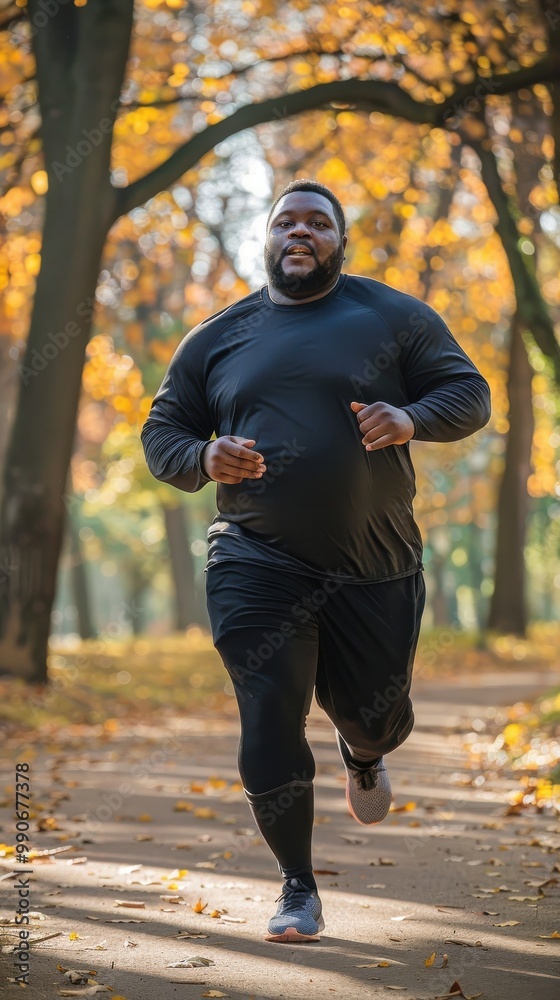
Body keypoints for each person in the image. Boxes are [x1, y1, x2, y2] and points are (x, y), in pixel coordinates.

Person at [141, 179, 491, 944]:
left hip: (375, 564)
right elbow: (161, 435)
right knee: (268, 707)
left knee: (375, 716)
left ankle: (364, 753)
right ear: (265, 238)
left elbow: (469, 393)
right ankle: (297, 886)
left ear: (340, 240)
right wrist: (204, 453)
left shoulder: (392, 316)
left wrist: (411, 416)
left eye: (319, 223)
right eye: (286, 221)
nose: (301, 232)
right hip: (255, 557)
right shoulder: (216, 338)